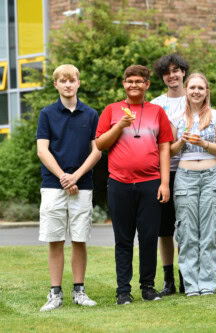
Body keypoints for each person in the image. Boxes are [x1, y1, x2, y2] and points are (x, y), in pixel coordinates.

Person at [95, 65, 173, 304]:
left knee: (149, 237)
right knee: (123, 239)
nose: (134, 85)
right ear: (124, 84)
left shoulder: (157, 111)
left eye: (139, 81)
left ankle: (148, 288)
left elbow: (164, 148)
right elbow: (100, 145)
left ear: (147, 85)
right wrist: (119, 126)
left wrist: (165, 183)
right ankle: (123, 291)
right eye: (129, 81)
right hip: (119, 183)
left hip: (151, 182)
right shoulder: (111, 111)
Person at [37, 64, 101, 312]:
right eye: (62, 81)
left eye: (71, 80)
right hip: (53, 185)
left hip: (82, 185)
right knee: (55, 240)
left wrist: (76, 176)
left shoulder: (91, 114)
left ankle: (79, 291)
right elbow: (42, 150)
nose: (67, 84)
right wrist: (64, 176)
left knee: (79, 239)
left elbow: (97, 151)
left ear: (78, 82)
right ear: (56, 85)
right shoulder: (47, 113)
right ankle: (55, 294)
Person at [170, 73, 216, 296]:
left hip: (211, 176)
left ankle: (207, 283)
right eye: (192, 87)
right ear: (186, 89)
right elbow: (169, 151)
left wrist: (204, 143)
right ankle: (191, 284)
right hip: (185, 176)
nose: (196, 91)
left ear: (206, 92)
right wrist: (181, 141)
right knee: (186, 231)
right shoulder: (176, 118)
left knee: (211, 230)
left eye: (200, 88)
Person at [151, 53, 189, 295]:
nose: (172, 75)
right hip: (164, 172)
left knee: (186, 228)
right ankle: (168, 280)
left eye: (176, 70)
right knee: (164, 230)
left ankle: (186, 276)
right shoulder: (156, 104)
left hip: (191, 171)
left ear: (183, 72)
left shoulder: (196, 97)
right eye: (167, 72)